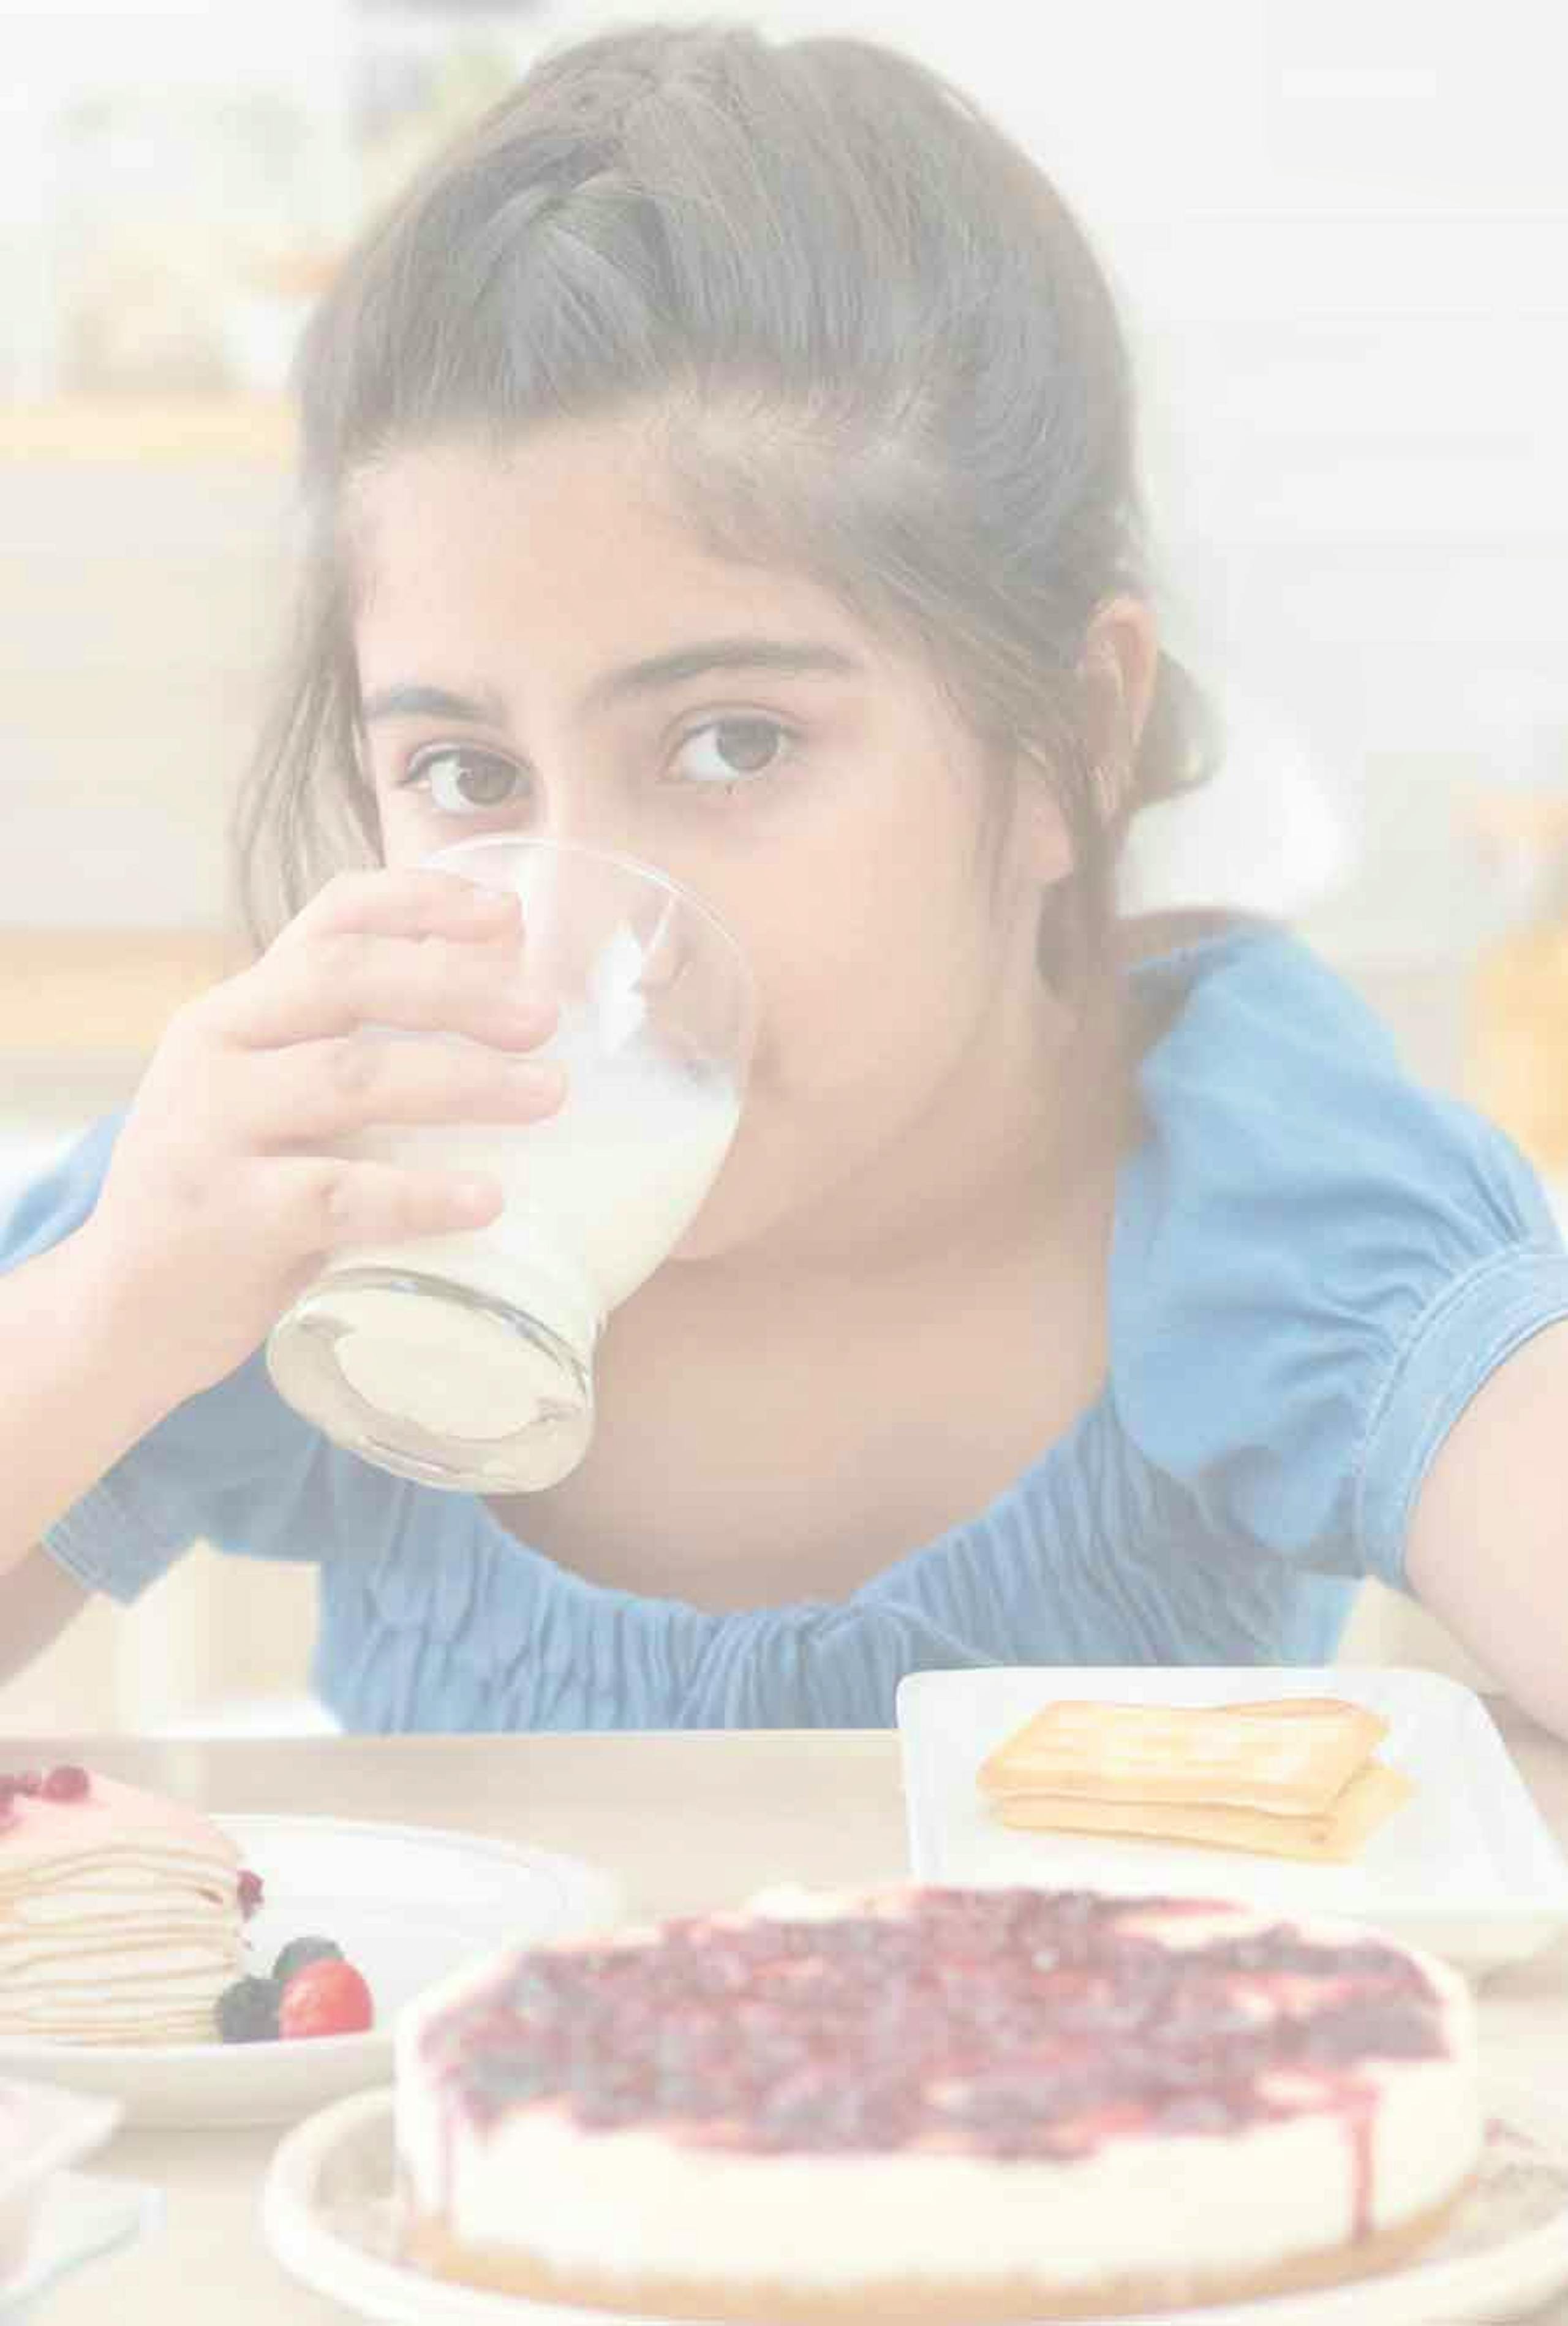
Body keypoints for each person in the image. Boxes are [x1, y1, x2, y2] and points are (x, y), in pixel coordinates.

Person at [5, 19, 1568, 1736]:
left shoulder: (1240, 1169)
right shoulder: (351, 1185)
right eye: (468, 776)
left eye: (734, 746)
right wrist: (112, 1315)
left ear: (1070, 741)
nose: (589, 944)